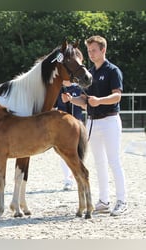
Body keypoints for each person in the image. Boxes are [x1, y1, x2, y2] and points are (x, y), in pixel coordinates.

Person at [62, 35, 127, 216]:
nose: (91, 54)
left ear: (103, 50)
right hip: (92, 121)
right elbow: (85, 101)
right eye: (89, 51)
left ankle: (122, 200)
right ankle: (104, 200)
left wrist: (100, 101)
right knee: (99, 162)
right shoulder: (90, 73)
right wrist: (71, 99)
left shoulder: (113, 71)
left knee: (114, 161)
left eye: (94, 50)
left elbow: (117, 96)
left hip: (110, 120)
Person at [55, 81, 84, 191]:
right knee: (63, 153)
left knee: (78, 152)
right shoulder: (58, 89)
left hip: (77, 124)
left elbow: (83, 104)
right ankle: (68, 179)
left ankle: (77, 176)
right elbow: (54, 107)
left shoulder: (79, 88)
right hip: (63, 127)